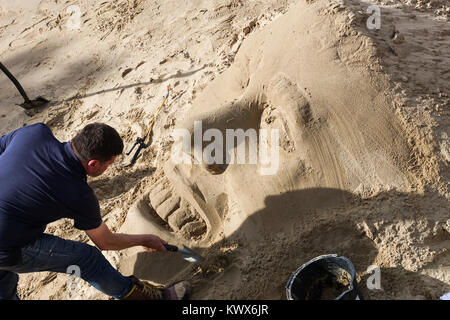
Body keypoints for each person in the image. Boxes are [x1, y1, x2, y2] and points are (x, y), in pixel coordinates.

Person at [0, 122, 190, 300]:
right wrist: (144, 239)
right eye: (109, 163)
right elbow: (105, 242)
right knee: (87, 258)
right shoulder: (78, 193)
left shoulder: (34, 133)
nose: (108, 168)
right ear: (93, 164)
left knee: (4, 281)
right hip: (6, 247)